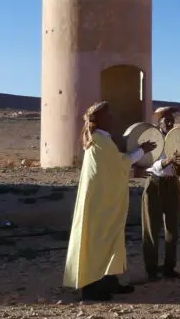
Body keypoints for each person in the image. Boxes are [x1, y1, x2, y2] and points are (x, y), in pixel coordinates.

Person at [64, 101, 157, 301]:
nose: (113, 117)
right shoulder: (100, 141)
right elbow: (118, 164)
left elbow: (111, 169)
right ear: (98, 119)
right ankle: (91, 285)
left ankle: (109, 280)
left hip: (105, 200)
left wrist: (132, 171)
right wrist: (141, 151)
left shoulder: (102, 140)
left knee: (111, 238)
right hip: (101, 203)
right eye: (109, 115)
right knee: (100, 240)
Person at [142, 106, 180, 282]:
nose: (169, 123)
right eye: (166, 120)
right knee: (151, 228)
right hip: (154, 183)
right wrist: (167, 161)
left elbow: (179, 169)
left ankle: (169, 267)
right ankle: (151, 270)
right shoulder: (152, 139)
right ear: (159, 122)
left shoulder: (176, 141)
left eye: (171, 120)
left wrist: (179, 165)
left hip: (172, 184)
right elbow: (148, 163)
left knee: (172, 229)